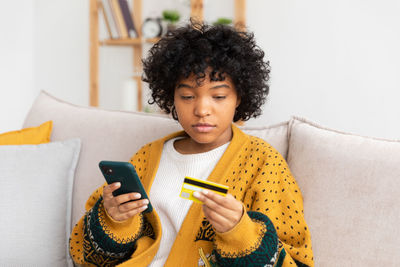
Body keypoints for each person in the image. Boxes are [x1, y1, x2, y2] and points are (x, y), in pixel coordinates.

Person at [69, 21, 314, 267]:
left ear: (239, 97)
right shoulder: (147, 157)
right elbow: (86, 255)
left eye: (218, 96)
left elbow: (295, 261)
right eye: (187, 96)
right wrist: (114, 219)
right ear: (171, 96)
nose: (201, 110)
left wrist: (240, 232)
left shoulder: (263, 163)